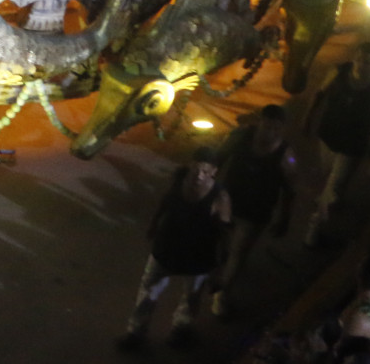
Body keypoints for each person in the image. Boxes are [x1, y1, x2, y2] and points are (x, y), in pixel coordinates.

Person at [119, 148, 232, 350]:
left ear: (214, 171)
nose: (199, 176)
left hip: (198, 256)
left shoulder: (220, 198)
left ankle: (181, 329)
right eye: (196, 170)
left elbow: (224, 234)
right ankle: (136, 332)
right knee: (148, 291)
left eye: (205, 172)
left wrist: (219, 268)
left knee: (191, 297)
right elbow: (167, 201)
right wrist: (154, 224)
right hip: (166, 249)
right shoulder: (179, 181)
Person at [212, 105, 298, 318]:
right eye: (267, 127)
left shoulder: (286, 157)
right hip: (228, 201)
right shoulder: (239, 137)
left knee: (239, 253)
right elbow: (218, 160)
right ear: (259, 122)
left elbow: (290, 190)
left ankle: (222, 296)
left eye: (277, 129)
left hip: (255, 212)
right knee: (220, 243)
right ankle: (217, 272)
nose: (271, 133)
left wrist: (284, 218)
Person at [306, 41, 370, 244]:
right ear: (355, 57)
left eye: (368, 62)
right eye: (360, 59)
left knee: (334, 186)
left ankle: (314, 228)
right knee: (327, 174)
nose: (362, 65)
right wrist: (308, 117)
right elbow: (320, 93)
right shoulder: (338, 72)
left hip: (353, 144)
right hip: (329, 135)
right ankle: (328, 202)